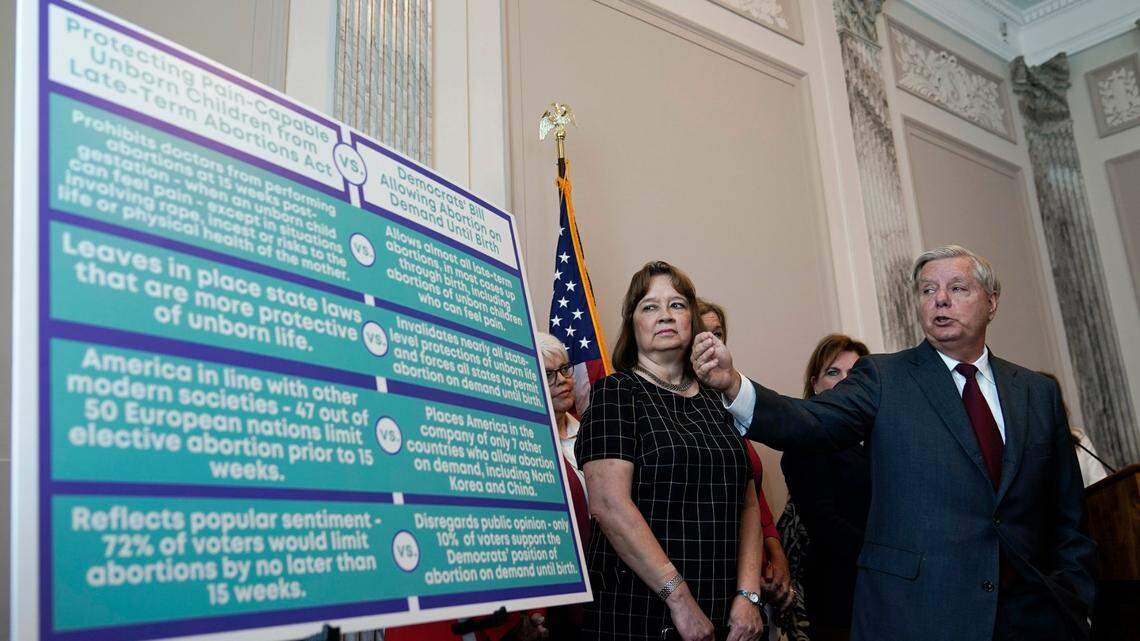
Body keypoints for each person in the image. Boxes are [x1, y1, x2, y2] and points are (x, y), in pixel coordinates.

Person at [692, 245, 1096, 641]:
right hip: (919, 613)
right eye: (927, 290)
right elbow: (811, 421)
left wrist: (1074, 598)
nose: (940, 299)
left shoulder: (1036, 392)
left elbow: (1068, 515)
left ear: (991, 302)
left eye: (957, 288)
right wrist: (733, 384)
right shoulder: (884, 377)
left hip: (1031, 617)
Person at [576, 261, 765, 641]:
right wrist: (679, 599)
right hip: (641, 610)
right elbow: (609, 505)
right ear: (633, 323)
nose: (665, 315)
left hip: (725, 609)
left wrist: (748, 595)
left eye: (677, 305)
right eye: (650, 306)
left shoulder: (717, 398)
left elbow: (747, 503)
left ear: (692, 320)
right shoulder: (616, 393)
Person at [697, 301, 797, 629]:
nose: (712, 341)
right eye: (702, 333)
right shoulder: (680, 407)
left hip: (757, 578)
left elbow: (752, 495)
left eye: (718, 333)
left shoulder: (733, 400)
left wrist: (777, 556)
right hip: (713, 576)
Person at [780, 334, 871, 641]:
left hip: (896, 591)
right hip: (841, 596)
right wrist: (886, 553)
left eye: (855, 373)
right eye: (834, 372)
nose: (846, 381)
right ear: (815, 383)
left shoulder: (884, 440)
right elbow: (824, 523)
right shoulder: (804, 443)